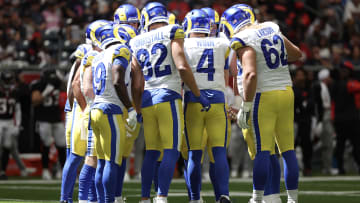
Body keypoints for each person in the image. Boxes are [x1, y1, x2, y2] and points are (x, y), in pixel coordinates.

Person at [130, 2, 210, 203]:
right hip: (168, 96)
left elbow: (137, 83)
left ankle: (145, 198)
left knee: (151, 151)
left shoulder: (136, 41)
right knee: (171, 149)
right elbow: (181, 65)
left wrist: (137, 108)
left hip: (147, 99)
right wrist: (197, 93)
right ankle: (162, 197)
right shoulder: (173, 30)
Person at [223, 6, 302, 203]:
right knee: (288, 149)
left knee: (263, 150)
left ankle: (257, 198)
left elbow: (250, 74)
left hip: (263, 95)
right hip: (286, 91)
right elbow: (296, 53)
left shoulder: (243, 39)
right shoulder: (271, 27)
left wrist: (246, 106)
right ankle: (292, 199)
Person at [181, 9, 231, 203]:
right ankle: (224, 194)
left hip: (194, 101)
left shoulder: (183, 44)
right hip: (218, 101)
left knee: (194, 154)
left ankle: (195, 198)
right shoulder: (222, 42)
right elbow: (229, 69)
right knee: (218, 151)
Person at [60, 19, 109, 203]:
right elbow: (75, 84)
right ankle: (67, 198)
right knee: (77, 157)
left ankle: (89, 197)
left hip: (80, 108)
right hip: (79, 109)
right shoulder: (87, 50)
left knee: (90, 156)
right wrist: (83, 108)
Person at [90, 23, 134, 203]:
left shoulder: (98, 55)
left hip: (96, 109)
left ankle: (102, 200)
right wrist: (130, 108)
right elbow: (117, 79)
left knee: (101, 163)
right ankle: (108, 200)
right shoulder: (120, 49)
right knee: (112, 162)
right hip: (111, 110)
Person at [31, 68, 66, 180]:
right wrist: (47, 91)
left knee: (62, 145)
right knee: (46, 145)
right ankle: (46, 170)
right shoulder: (38, 85)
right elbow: (35, 101)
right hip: (43, 118)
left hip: (56, 118)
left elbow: (66, 87)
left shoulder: (58, 84)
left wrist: (61, 79)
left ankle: (62, 169)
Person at [332, 61, 360, 175]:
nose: (343, 72)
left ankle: (355, 166)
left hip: (352, 119)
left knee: (356, 145)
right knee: (341, 146)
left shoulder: (344, 83)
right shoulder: (339, 84)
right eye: (341, 70)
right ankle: (340, 168)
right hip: (342, 120)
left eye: (345, 70)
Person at [0, 71, 28, 180]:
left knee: (7, 147)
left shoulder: (15, 92)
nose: (7, 83)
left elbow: (18, 110)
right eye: (6, 80)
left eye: (9, 80)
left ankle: (3, 171)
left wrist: (17, 125)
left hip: (10, 122)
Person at [292, 68, 315, 176]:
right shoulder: (292, 89)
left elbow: (311, 104)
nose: (300, 78)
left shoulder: (309, 89)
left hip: (306, 121)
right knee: (292, 145)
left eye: (302, 75)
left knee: (307, 145)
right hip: (294, 120)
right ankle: (293, 168)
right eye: (298, 75)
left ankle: (307, 167)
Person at [313, 68, 334, 175]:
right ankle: (327, 167)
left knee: (327, 143)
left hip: (325, 115)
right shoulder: (321, 87)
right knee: (327, 143)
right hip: (324, 116)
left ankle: (327, 167)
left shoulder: (323, 86)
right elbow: (321, 105)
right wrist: (320, 120)